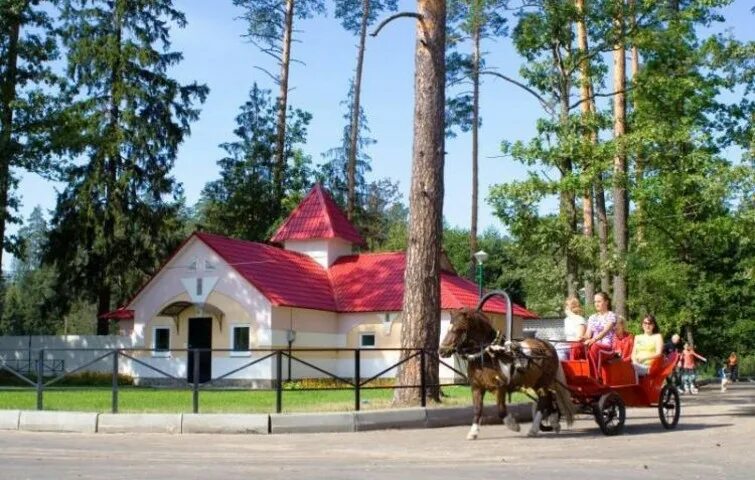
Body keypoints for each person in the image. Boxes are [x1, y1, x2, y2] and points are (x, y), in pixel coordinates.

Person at [584, 292, 617, 377]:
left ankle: (594, 377)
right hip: (594, 344)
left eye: (599, 301)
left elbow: (605, 331)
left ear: (606, 302)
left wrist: (593, 340)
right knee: (576, 347)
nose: (596, 304)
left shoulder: (611, 315)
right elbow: (587, 335)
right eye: (595, 302)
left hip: (608, 348)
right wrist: (581, 338)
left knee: (594, 347)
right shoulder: (592, 317)